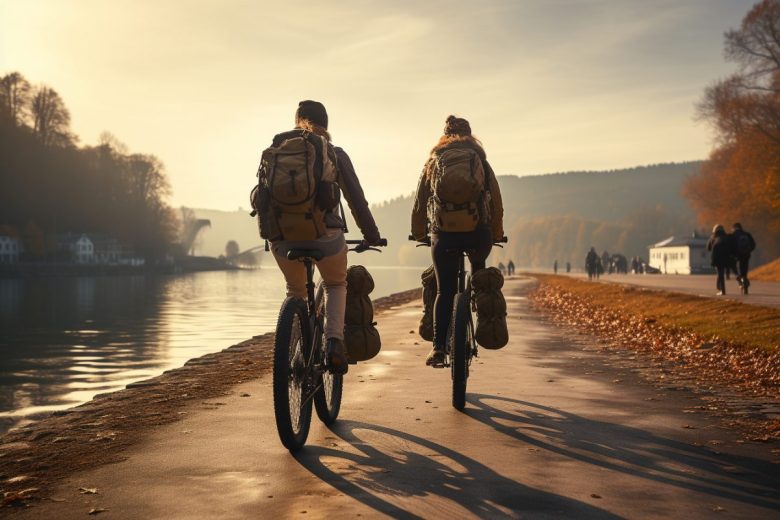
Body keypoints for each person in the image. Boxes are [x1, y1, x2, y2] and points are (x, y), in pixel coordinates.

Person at [256, 100, 382, 374]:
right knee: (336, 283)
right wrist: (371, 236)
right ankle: (334, 342)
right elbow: (356, 201)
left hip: (282, 240)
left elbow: (261, 200)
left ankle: (290, 357)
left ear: (296, 120)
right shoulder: (334, 153)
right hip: (326, 238)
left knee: (296, 291)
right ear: (326, 125)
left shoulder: (276, 153)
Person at [411, 115, 504, 366]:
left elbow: (420, 203)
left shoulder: (434, 161)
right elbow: (496, 201)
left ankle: (439, 348)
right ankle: (479, 307)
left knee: (444, 290)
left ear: (444, 135)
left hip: (444, 235)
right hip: (478, 233)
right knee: (479, 276)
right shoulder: (480, 161)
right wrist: (495, 233)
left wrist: (419, 232)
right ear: (470, 135)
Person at [730, 222, 756, 294]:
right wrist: (748, 251)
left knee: (733, 267)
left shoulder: (733, 235)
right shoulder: (747, 234)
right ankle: (745, 283)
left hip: (736, 256)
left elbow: (730, 246)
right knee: (744, 270)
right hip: (746, 255)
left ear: (734, 228)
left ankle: (739, 278)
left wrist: (732, 254)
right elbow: (753, 245)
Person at [707, 224, 731, 295]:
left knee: (720, 274)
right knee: (721, 273)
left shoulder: (713, 238)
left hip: (717, 259)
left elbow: (708, 248)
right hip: (726, 258)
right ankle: (719, 287)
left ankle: (722, 290)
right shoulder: (726, 237)